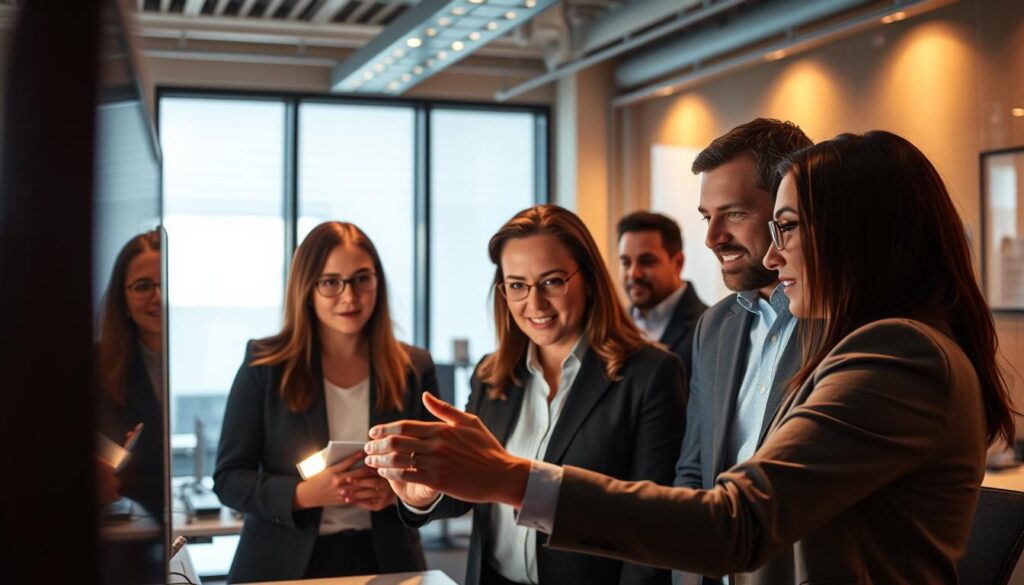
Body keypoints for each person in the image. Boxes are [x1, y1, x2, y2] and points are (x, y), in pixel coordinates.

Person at [363, 131, 1016, 584]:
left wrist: (511, 477)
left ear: (857, 234)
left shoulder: (896, 353)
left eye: (785, 227)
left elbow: (735, 519)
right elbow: (700, 487)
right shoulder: (853, 344)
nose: (772, 254)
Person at [391, 204, 687, 585]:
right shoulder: (490, 375)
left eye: (552, 281)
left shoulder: (650, 375)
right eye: (517, 285)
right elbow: (468, 491)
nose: (534, 303)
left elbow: (653, 529)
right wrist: (421, 495)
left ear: (591, 280)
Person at [214, 221, 437, 583]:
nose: (350, 297)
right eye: (331, 282)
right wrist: (301, 494)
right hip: (282, 563)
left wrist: (397, 496)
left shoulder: (415, 367)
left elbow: (441, 474)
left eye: (362, 278)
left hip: (387, 560)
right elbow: (228, 479)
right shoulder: (264, 365)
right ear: (307, 288)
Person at [673, 118, 811, 584]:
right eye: (706, 218)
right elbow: (693, 472)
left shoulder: (847, 330)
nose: (712, 238)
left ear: (789, 208)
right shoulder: (714, 326)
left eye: (732, 214)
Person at [96, 229, 165, 517]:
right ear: (122, 299)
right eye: (142, 286)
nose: (158, 296)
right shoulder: (95, 365)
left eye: (166, 283)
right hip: (127, 522)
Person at [616, 211, 707, 374]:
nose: (633, 273)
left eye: (647, 261)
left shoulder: (710, 327)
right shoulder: (613, 325)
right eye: (626, 262)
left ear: (678, 263)